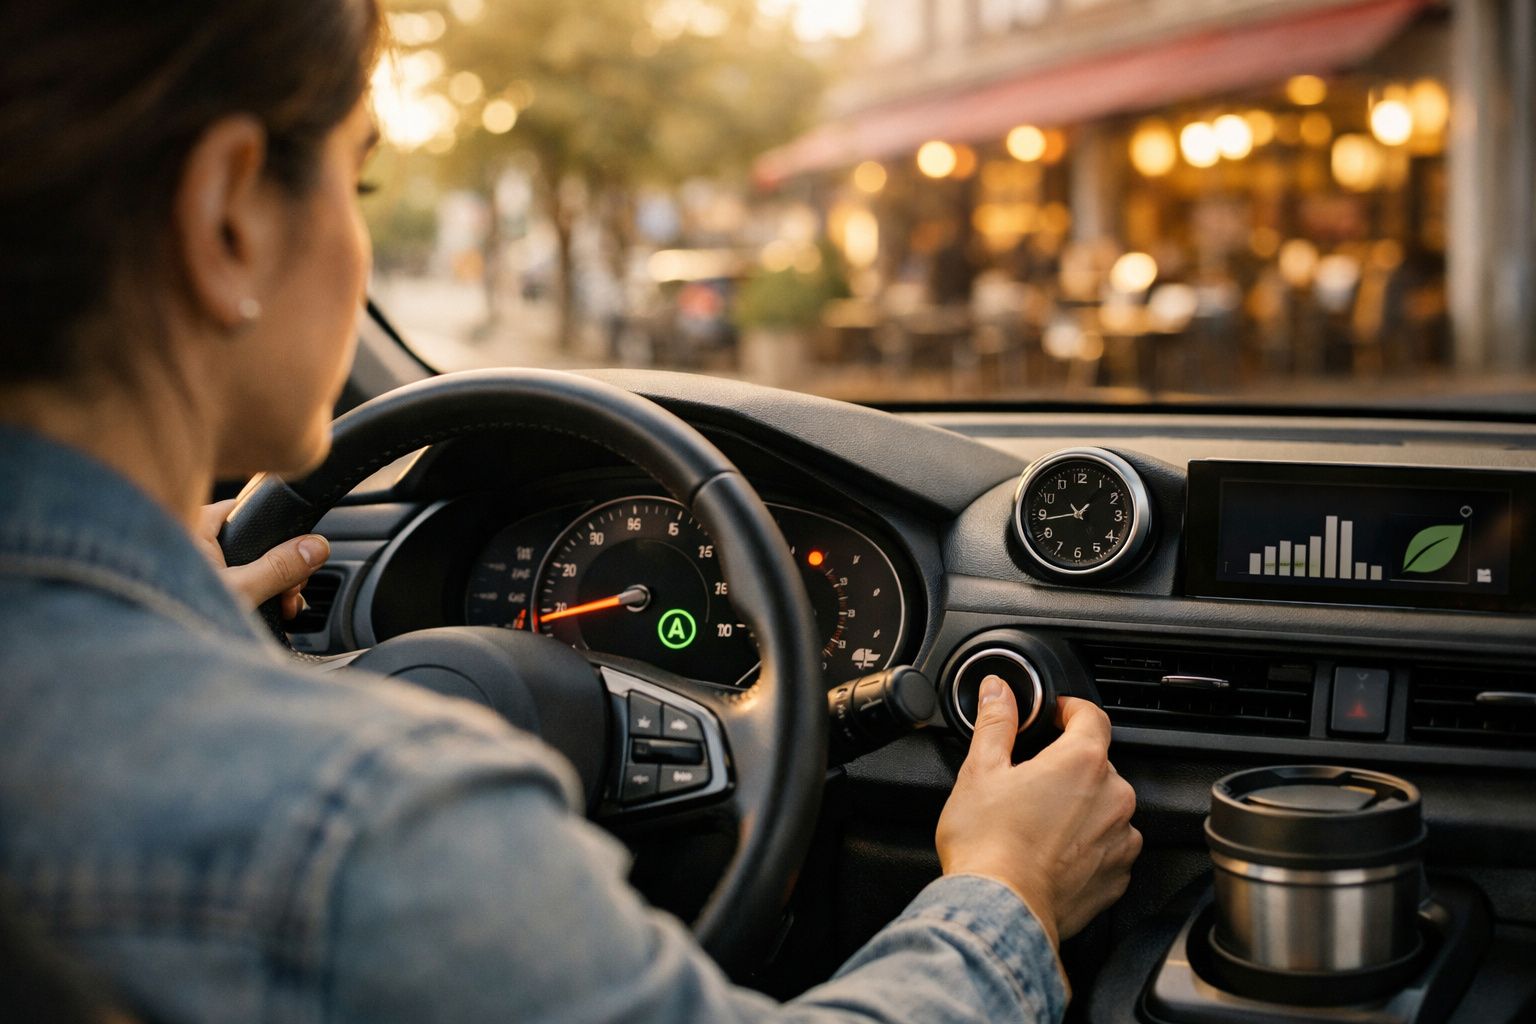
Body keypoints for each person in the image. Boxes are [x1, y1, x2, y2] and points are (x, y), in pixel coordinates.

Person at [0, 2, 1141, 1021]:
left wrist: (175, 613)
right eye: (359, 184)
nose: (359, 237)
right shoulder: (375, 816)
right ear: (229, 218)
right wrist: (1009, 891)